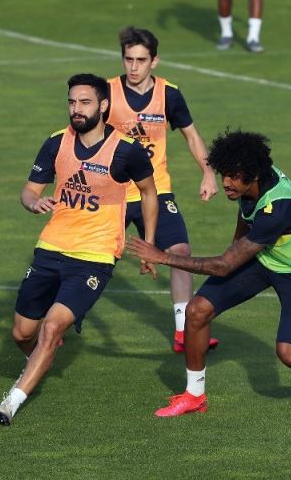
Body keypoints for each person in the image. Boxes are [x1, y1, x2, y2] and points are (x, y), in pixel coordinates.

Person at [128, 130, 291, 417]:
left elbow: (223, 266)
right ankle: (194, 395)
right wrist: (236, 246)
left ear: (254, 175)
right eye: (224, 174)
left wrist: (162, 256)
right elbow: (246, 213)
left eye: (233, 177)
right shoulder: (250, 180)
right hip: (263, 256)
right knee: (196, 311)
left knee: (290, 354)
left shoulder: (280, 207)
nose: (226, 183)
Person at [0, 74, 159, 426]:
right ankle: (40, 360)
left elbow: (148, 192)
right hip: (51, 247)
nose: (76, 109)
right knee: (22, 333)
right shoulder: (56, 142)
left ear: (103, 106)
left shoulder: (127, 150)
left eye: (84, 102)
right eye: (72, 102)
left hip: (94, 256)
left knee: (52, 327)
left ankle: (11, 402)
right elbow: (29, 190)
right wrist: (33, 202)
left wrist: (149, 245)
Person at [107, 27, 219, 354]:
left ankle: (184, 331)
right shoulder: (106, 93)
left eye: (141, 60)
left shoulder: (168, 94)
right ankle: (48, 320)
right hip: (112, 193)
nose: (134, 67)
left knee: (180, 252)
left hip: (155, 191)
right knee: (86, 258)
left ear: (154, 61)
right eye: (128, 59)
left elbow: (192, 136)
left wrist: (208, 173)